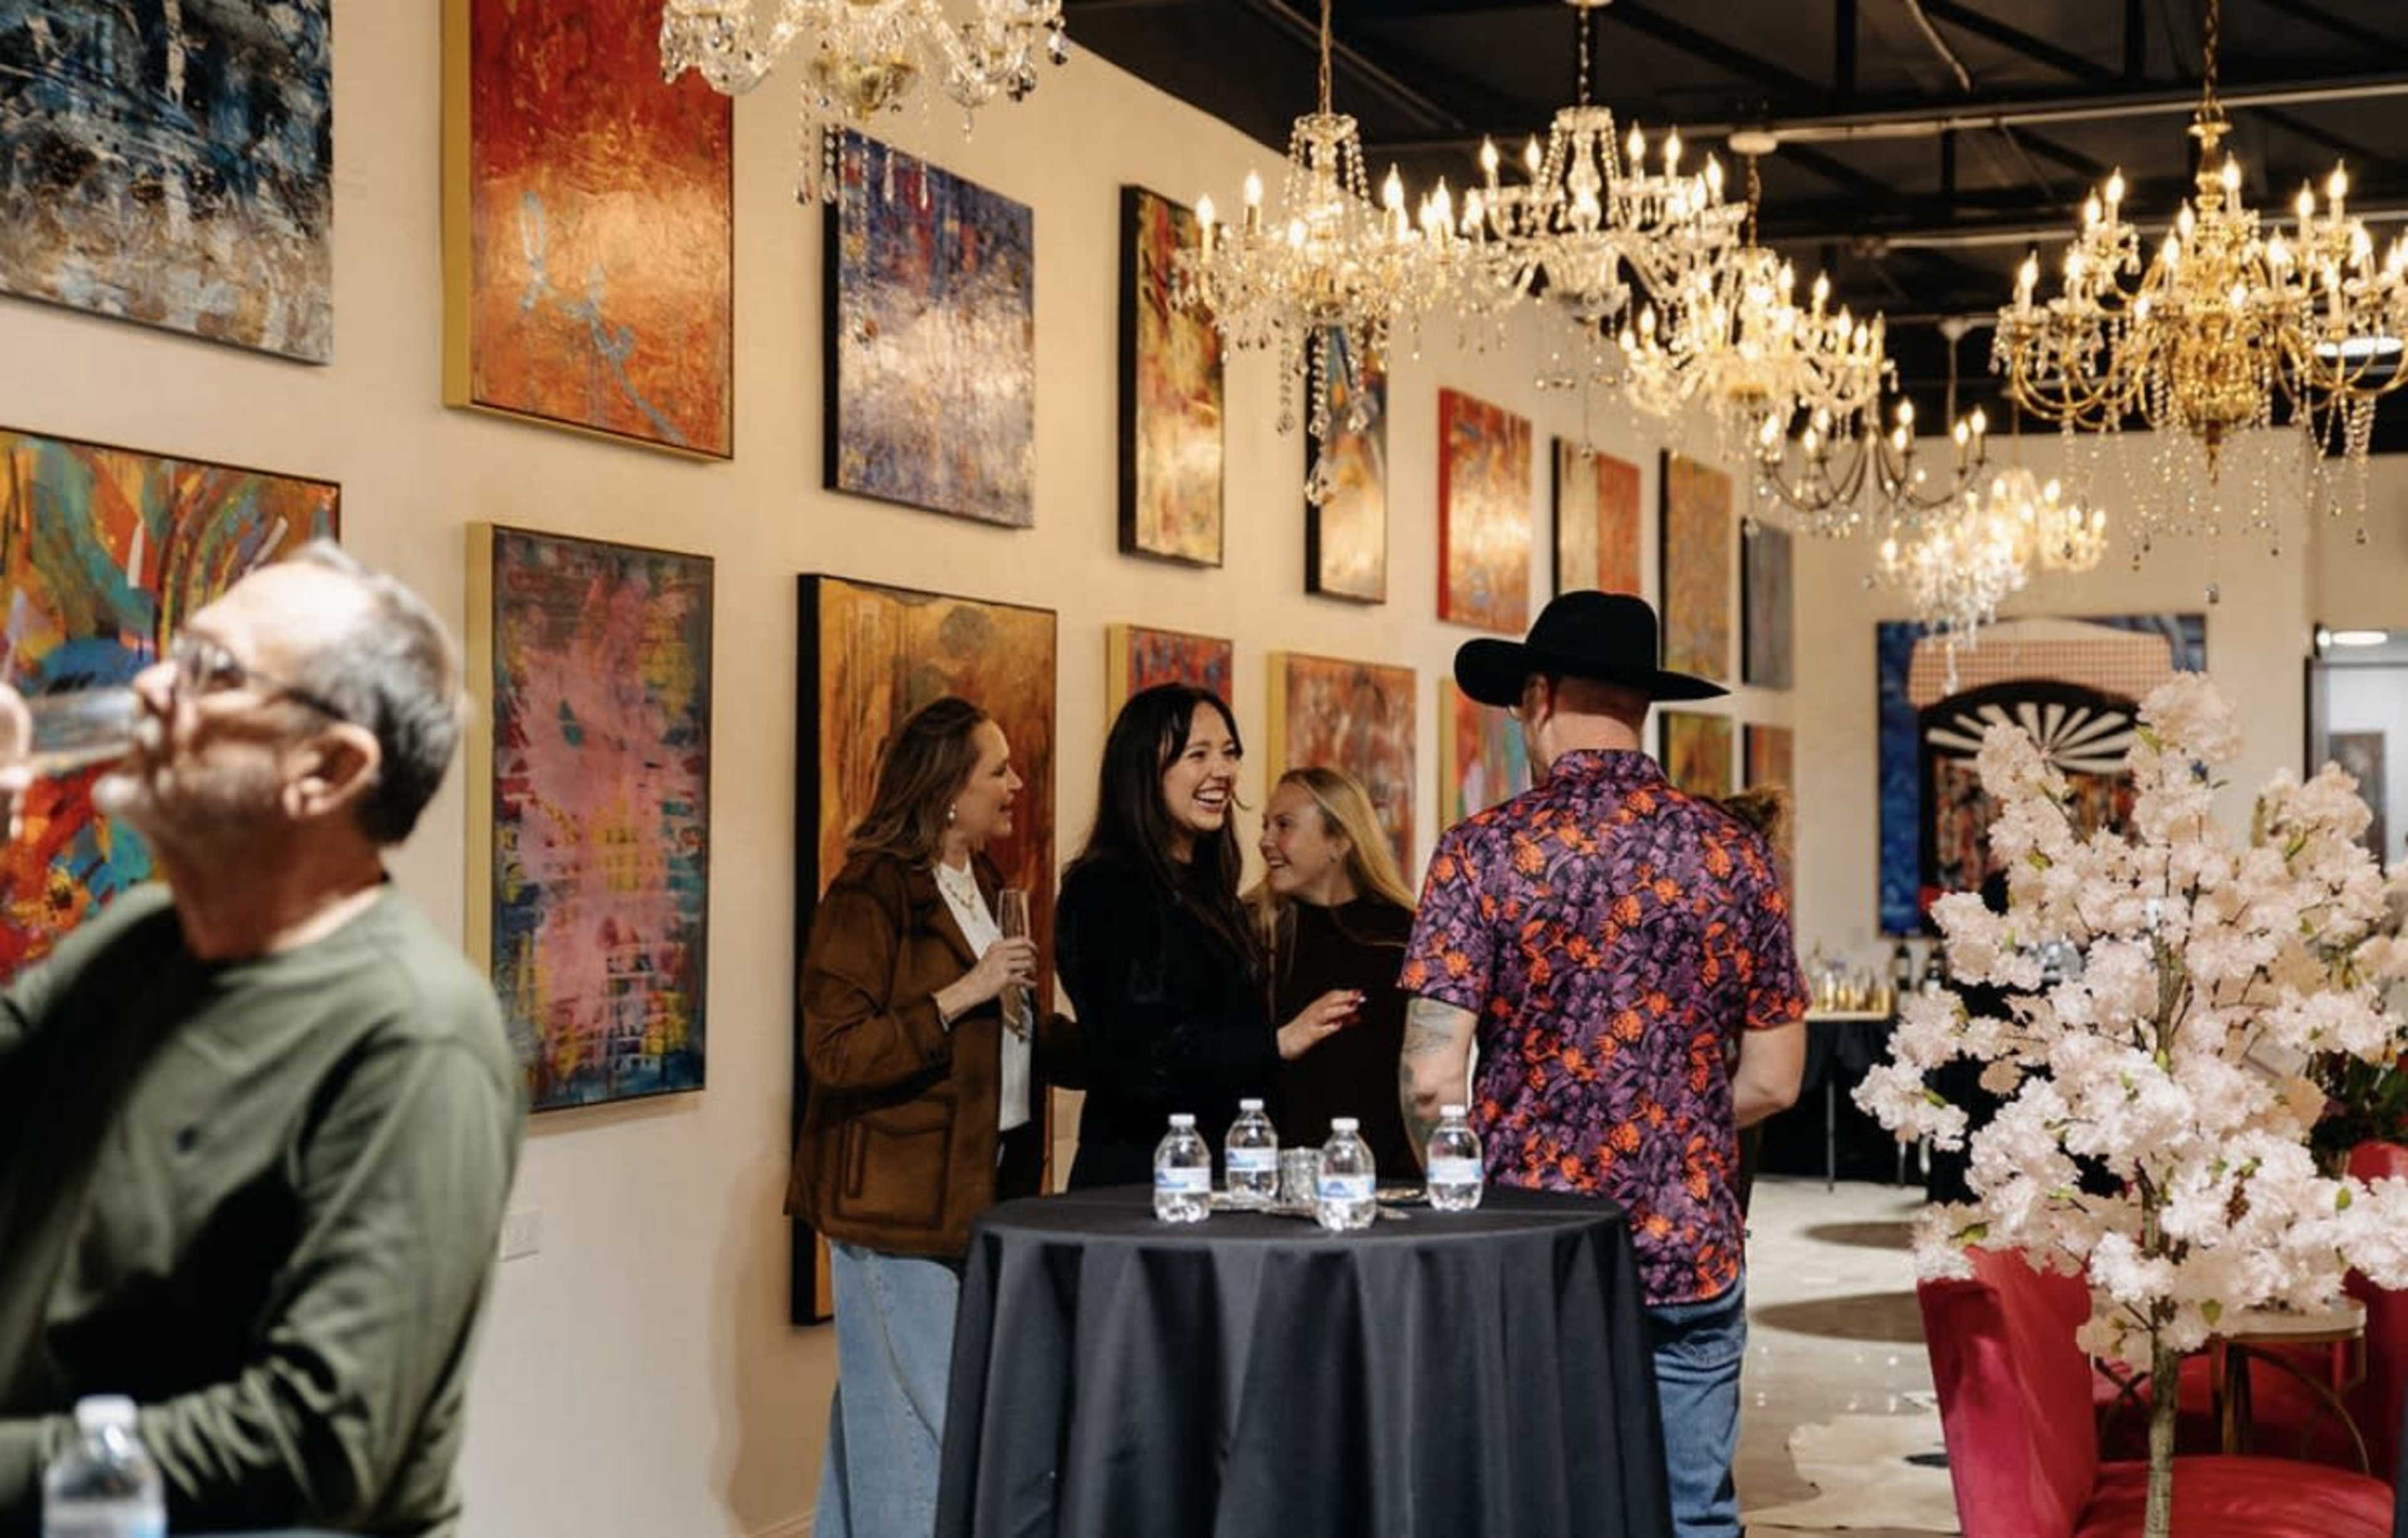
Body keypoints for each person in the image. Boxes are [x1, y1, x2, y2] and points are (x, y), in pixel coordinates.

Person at [0, 543, 522, 1538]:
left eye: (211, 672)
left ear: (325, 770)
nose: (150, 686)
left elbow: (315, 1444)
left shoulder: (415, 1038)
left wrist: (17, 1478)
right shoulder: (134, 944)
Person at [1398, 591, 1808, 1538]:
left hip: (1528, 1249)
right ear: (1644, 703)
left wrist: (1465, 1170)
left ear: (1538, 696)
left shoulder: (1482, 854)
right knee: (1692, 1513)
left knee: (1533, 1508)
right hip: (1690, 1241)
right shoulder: (1736, 856)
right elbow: (1778, 1080)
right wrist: (1677, 1122)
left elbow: (1430, 1077)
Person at [789, 696, 1077, 1538]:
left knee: (882, 1418)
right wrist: (964, 993)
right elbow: (836, 1052)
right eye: (998, 769)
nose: (1015, 784)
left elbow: (1012, 1034)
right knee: (936, 1429)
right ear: (950, 789)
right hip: (895, 1210)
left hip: (968, 1203)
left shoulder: (980, 882)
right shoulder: (870, 891)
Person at [1059, 685, 1358, 1187]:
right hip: (1144, 1186)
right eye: (1198, 755)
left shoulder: (1209, 887)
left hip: (1225, 1177)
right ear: (1143, 772)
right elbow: (1140, 1054)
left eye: (1229, 753)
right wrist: (1278, 1042)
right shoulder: (1106, 887)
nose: (1223, 771)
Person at [1250, 766, 1418, 1173]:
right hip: (1272, 1182)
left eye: (1284, 825)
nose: (1265, 841)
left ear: (1340, 839)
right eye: (1265, 826)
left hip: (1385, 1178)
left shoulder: (1406, 934)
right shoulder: (1249, 931)